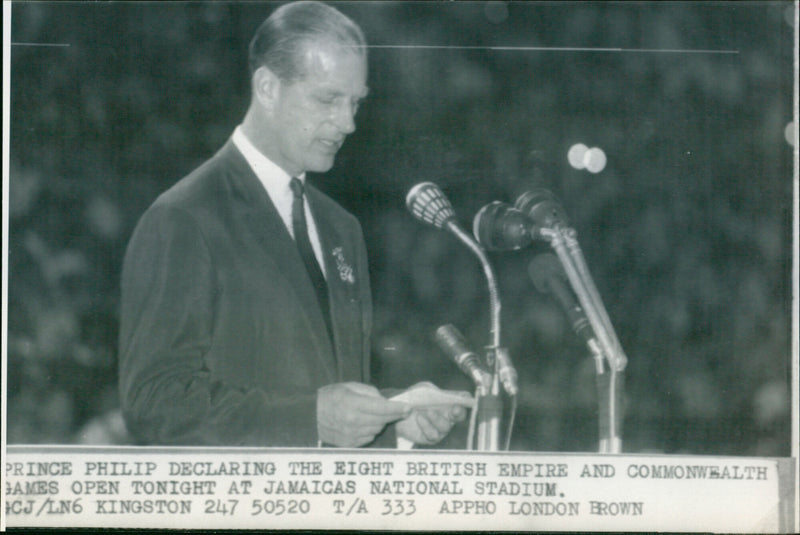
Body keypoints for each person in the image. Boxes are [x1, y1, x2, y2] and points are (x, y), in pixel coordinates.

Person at [119, 1, 469, 448]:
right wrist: (313, 419)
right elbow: (152, 403)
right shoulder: (184, 218)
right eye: (327, 99)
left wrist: (395, 413)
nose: (347, 123)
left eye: (356, 102)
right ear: (267, 87)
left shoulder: (342, 228)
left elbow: (325, 396)